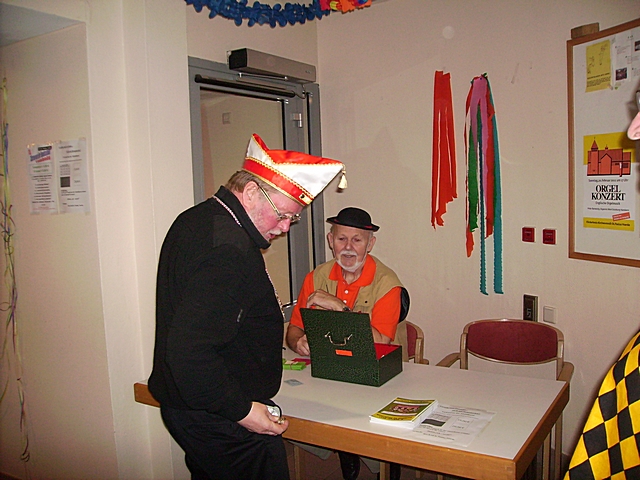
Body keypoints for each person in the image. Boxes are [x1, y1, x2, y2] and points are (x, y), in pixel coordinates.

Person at [148, 133, 345, 480]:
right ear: (251, 192)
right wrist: (242, 411)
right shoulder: (229, 251)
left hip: (193, 405)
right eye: (283, 215)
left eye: (293, 220)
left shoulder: (197, 219)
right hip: (220, 415)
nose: (285, 228)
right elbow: (188, 351)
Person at [286, 207, 408, 480]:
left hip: (379, 374)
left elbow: (380, 343)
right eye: (342, 239)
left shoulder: (388, 284)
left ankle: (385, 464)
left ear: (370, 244)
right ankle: (345, 451)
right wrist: (299, 342)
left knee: (375, 435)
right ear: (331, 240)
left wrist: (338, 307)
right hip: (332, 370)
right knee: (292, 409)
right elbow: (294, 328)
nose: (349, 247)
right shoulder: (315, 277)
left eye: (357, 240)